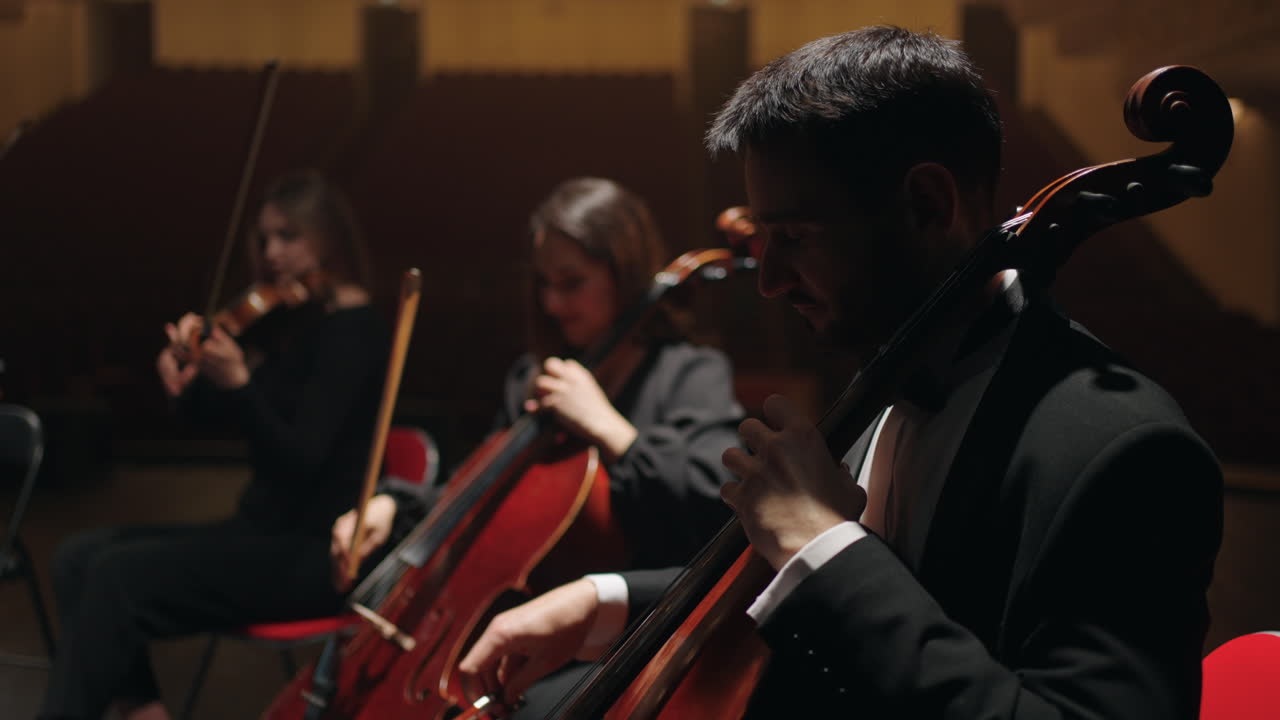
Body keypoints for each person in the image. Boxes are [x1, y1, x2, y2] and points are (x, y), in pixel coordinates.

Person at [454, 27, 1224, 719]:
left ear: (928, 203)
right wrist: (602, 598)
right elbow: (811, 594)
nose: (770, 279)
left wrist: (821, 544)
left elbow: (853, 586)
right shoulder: (891, 368)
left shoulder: (1125, 450)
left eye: (794, 236)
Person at [328, 177, 743, 694]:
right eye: (542, 283)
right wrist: (395, 506)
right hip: (510, 629)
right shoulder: (535, 377)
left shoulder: (688, 373)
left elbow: (718, 501)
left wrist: (608, 426)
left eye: (571, 282)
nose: (551, 302)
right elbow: (477, 500)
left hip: (631, 639)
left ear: (625, 273)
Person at [39, 171, 389, 720]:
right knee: (77, 557)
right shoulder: (298, 322)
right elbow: (226, 419)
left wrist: (241, 385)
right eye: (265, 237)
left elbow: (299, 463)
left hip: (312, 553)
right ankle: (145, 712)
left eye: (289, 236)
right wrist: (187, 385)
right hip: (258, 532)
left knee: (116, 577)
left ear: (330, 239)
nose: (272, 252)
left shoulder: (354, 333)